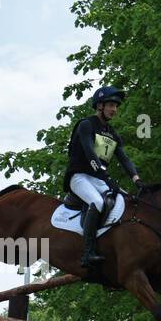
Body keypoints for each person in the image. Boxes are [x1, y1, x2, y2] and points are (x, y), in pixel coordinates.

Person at [63, 86, 143, 268]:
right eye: (111, 105)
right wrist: (106, 178)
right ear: (99, 106)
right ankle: (87, 253)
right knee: (97, 203)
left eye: (116, 106)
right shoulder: (87, 124)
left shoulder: (112, 133)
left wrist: (137, 180)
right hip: (79, 176)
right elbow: (90, 152)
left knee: (126, 200)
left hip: (97, 178)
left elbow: (124, 159)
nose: (114, 109)